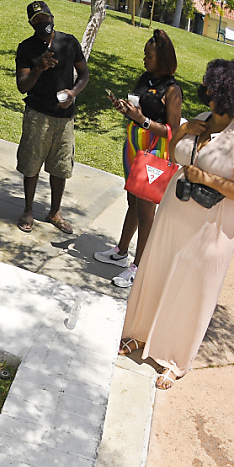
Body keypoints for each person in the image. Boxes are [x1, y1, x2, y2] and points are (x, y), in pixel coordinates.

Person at [119, 59, 234, 390]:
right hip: (174, 211)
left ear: (224, 94)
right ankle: (139, 336)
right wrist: (183, 131)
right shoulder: (201, 120)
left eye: (210, 87)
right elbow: (174, 155)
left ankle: (173, 358)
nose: (204, 90)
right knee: (156, 271)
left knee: (191, 288)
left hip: (209, 225)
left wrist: (209, 180)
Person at [94, 30, 184, 288]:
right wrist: (127, 109)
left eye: (149, 55)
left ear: (162, 58)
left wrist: (142, 120)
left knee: (146, 211)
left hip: (155, 154)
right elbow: (140, 109)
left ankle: (139, 267)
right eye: (145, 54)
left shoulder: (173, 90)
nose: (145, 59)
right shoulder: (146, 78)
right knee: (132, 200)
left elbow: (173, 131)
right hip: (134, 149)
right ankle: (121, 252)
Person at [14, 1, 89, 233]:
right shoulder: (26, 48)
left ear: (52, 17)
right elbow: (22, 86)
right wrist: (38, 67)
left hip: (64, 117)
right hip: (37, 114)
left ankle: (55, 211)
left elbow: (84, 74)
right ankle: (28, 210)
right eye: (37, 20)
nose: (43, 22)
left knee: (61, 166)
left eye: (45, 17)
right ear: (31, 23)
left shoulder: (68, 42)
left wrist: (73, 93)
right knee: (31, 163)